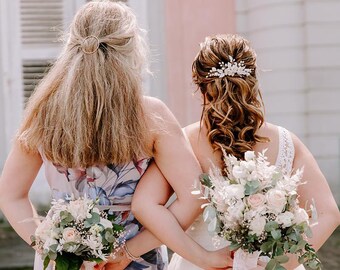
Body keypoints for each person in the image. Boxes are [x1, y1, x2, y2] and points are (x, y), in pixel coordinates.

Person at [0, 2, 231, 270]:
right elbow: (194, 195)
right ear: (132, 49)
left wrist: (53, 246)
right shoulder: (151, 114)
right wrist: (128, 252)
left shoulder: (42, 112)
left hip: (65, 258)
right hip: (136, 259)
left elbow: (11, 195)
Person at [130, 34, 340, 270]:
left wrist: (126, 252)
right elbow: (328, 214)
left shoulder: (182, 141)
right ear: (253, 83)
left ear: (201, 89)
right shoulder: (286, 142)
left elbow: (144, 205)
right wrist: (282, 264)